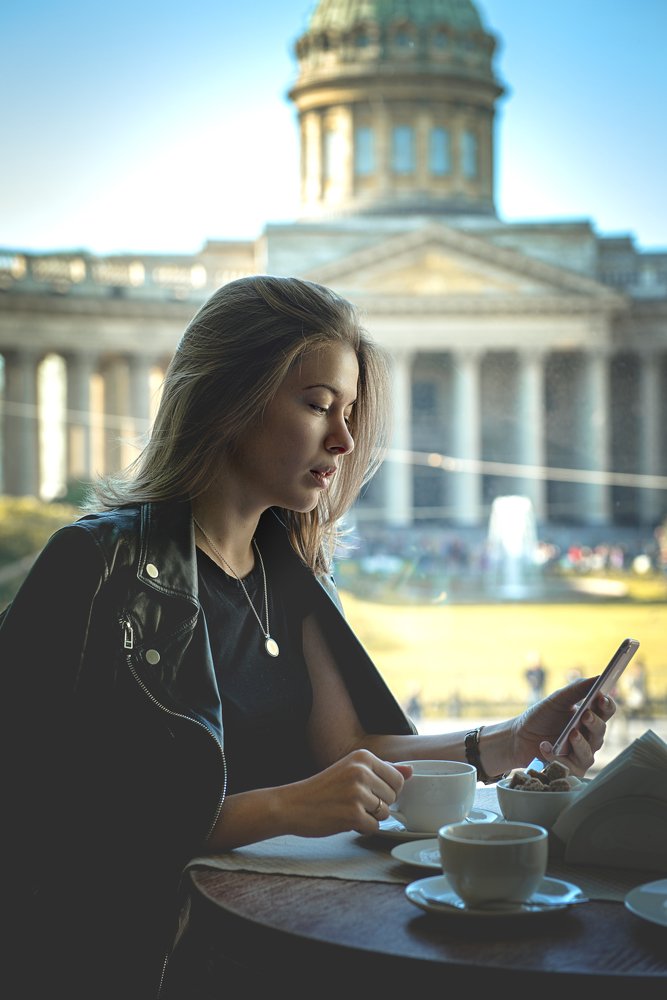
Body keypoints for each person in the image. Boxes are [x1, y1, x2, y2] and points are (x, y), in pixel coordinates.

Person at [1, 275, 615, 999]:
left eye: (349, 411)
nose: (344, 439)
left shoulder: (286, 570)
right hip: (143, 960)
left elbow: (349, 753)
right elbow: (36, 804)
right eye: (319, 405)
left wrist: (506, 742)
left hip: (284, 934)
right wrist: (279, 808)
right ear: (229, 400)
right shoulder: (96, 564)